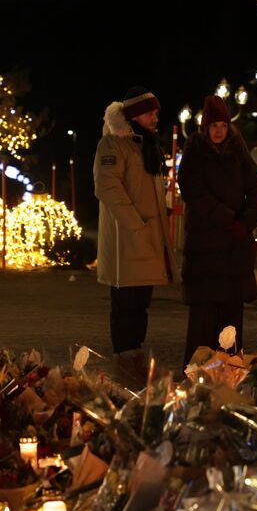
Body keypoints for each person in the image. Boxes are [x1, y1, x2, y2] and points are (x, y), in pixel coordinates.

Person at [94, 86, 176, 382]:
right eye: (151, 111)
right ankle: (126, 363)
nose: (156, 116)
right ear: (135, 115)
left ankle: (135, 358)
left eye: (156, 111)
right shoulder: (113, 145)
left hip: (146, 240)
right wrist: (137, 224)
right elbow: (108, 188)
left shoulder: (146, 144)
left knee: (140, 304)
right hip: (127, 242)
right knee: (126, 305)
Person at [177, 95, 257, 369]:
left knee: (231, 319)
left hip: (233, 250)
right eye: (213, 125)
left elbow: (256, 190)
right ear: (205, 128)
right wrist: (227, 218)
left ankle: (230, 371)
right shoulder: (194, 154)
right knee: (203, 319)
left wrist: (245, 221)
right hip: (205, 247)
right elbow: (194, 192)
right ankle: (197, 372)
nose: (218, 130)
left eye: (223, 125)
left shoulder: (239, 153)